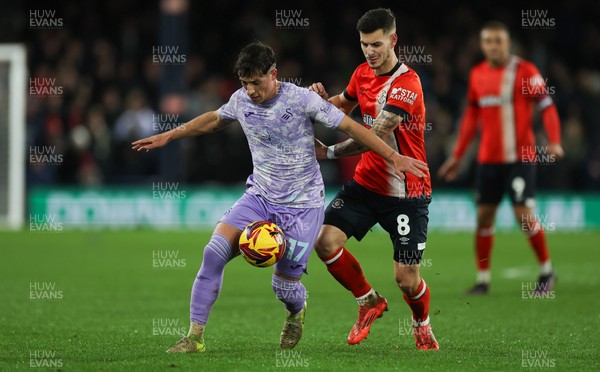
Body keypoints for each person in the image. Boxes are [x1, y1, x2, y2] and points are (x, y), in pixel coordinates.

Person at [132, 41, 428, 352]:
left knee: (284, 286)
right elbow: (214, 120)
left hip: (302, 206)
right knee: (212, 253)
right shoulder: (240, 100)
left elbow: (354, 128)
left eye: (256, 82)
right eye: (245, 83)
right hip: (259, 197)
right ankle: (194, 337)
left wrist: (393, 156)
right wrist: (170, 134)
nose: (250, 91)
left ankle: (295, 311)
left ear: (274, 74)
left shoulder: (301, 100)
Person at [309, 8, 439, 350]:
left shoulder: (406, 84)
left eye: (377, 44)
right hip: (367, 185)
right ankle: (368, 300)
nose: (370, 51)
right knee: (324, 241)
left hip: (406, 193)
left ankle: (421, 323)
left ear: (393, 40)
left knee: (406, 278)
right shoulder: (361, 73)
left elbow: (375, 135)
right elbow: (343, 105)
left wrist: (330, 153)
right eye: (365, 44)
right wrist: (317, 103)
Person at [438, 21, 563, 295]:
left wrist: (554, 140)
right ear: (482, 46)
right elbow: (471, 118)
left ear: (508, 44)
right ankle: (483, 280)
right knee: (484, 217)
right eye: (488, 41)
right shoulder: (477, 75)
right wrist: (458, 156)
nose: (493, 46)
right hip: (487, 160)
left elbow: (547, 106)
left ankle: (546, 271)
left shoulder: (525, 71)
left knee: (523, 214)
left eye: (498, 41)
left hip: (520, 157)